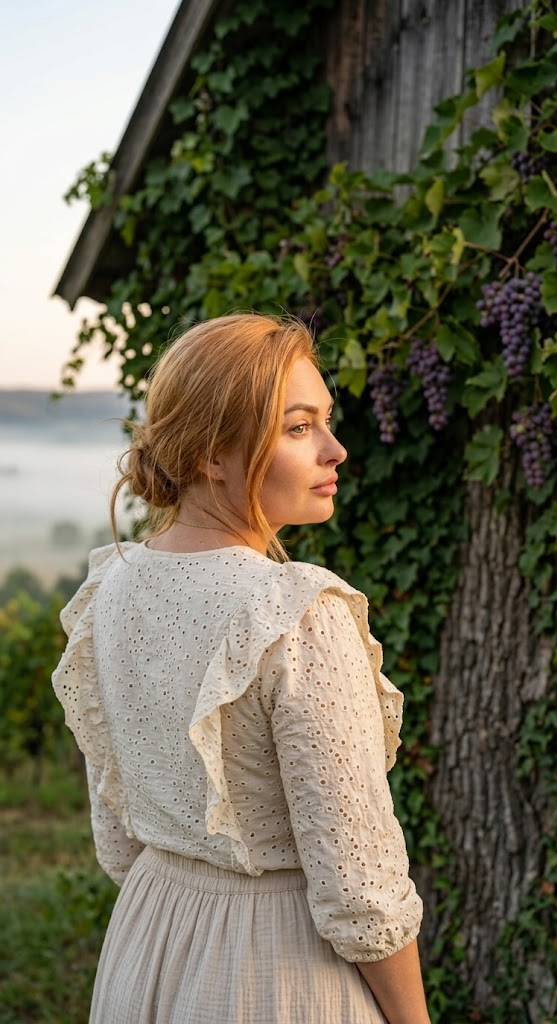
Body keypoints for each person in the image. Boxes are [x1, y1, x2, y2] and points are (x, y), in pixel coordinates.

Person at [52, 312, 430, 1024]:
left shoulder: (109, 590)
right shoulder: (294, 614)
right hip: (281, 971)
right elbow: (361, 892)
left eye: (325, 422)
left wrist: (184, 907)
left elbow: (119, 837)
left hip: (147, 941)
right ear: (211, 455)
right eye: (299, 427)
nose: (336, 450)